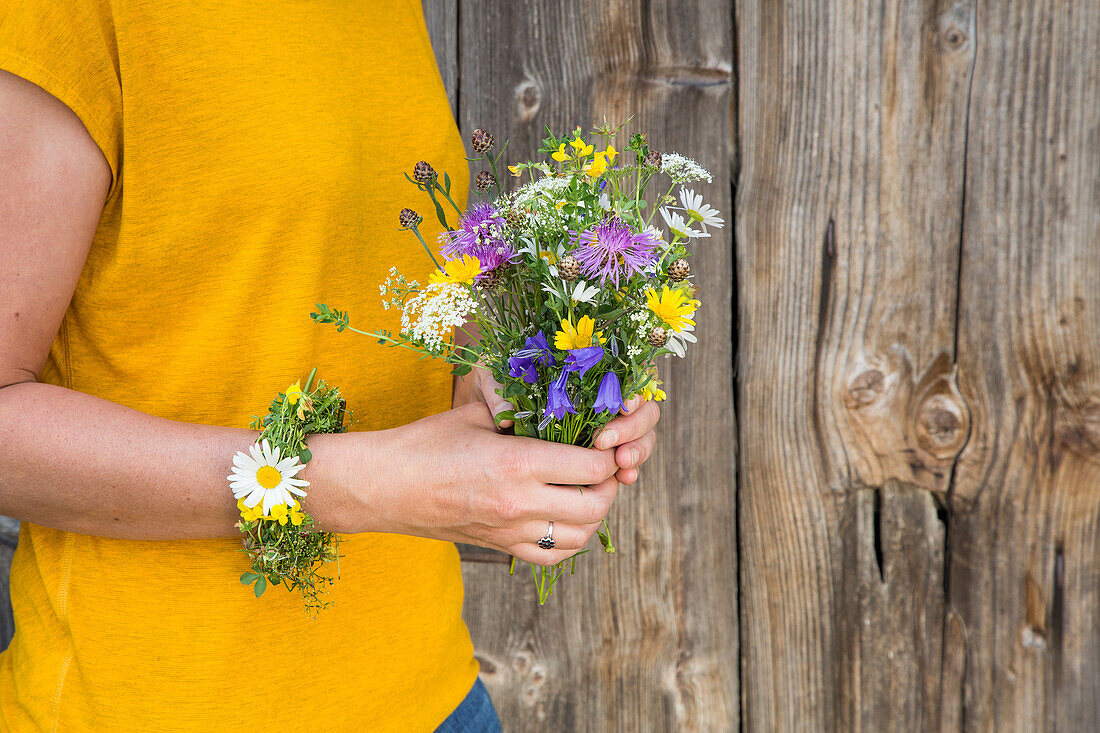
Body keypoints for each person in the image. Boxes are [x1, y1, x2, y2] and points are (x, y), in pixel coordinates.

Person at [0, 1, 660, 730]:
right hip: (165, 705)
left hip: (434, 695)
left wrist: (517, 390)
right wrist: (355, 483)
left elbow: (332, 309)